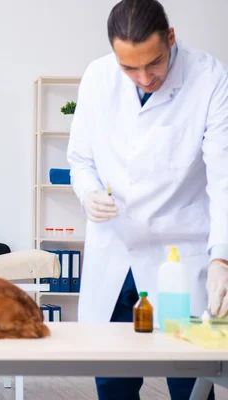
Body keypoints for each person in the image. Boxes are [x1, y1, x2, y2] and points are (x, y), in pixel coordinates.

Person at [67, 0, 228, 399]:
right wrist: (87, 193)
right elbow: (80, 159)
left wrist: (222, 257)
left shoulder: (209, 77)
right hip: (115, 249)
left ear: (171, 38)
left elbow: (224, 176)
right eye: (129, 67)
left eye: (153, 63)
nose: (143, 77)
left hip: (181, 252)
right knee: (113, 382)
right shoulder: (97, 76)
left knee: (190, 380)